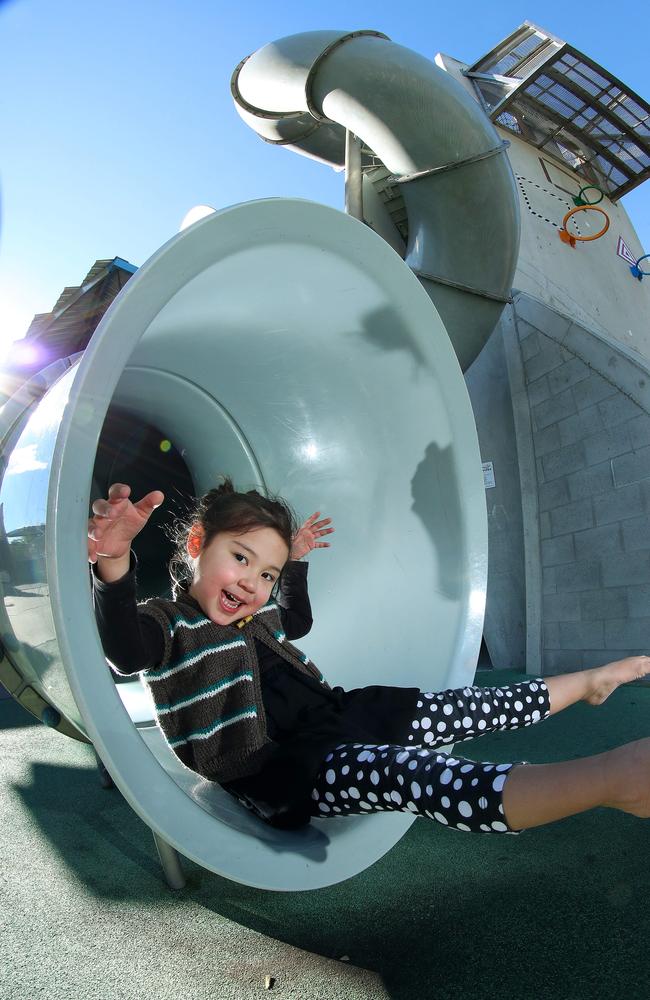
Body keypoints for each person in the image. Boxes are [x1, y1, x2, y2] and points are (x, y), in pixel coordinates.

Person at [89, 481, 650, 834]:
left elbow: (298, 621)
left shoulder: (252, 619)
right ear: (195, 545)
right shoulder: (170, 623)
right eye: (241, 558)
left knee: (455, 708)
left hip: (335, 715)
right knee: (413, 776)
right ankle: (606, 779)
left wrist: (295, 565)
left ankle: (588, 681)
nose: (252, 583)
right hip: (276, 765)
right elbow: (123, 652)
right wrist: (114, 565)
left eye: (266, 574)